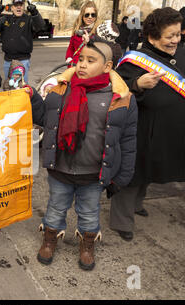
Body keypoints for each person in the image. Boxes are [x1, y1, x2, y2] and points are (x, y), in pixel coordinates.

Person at [32, 39, 138, 271]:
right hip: (60, 169)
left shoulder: (121, 98)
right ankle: (50, 238)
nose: (82, 65)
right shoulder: (61, 89)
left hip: (93, 173)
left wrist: (122, 176)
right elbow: (45, 119)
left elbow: (128, 140)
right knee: (55, 208)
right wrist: (31, 97)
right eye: (80, 59)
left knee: (90, 213)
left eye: (91, 61)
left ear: (108, 66)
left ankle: (87, 244)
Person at [109, 7, 185, 241]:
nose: (175, 40)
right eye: (169, 36)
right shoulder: (135, 60)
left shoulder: (180, 54)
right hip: (141, 130)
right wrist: (138, 84)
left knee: (151, 171)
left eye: (178, 34)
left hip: (167, 130)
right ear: (152, 37)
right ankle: (121, 221)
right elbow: (116, 88)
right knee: (133, 174)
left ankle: (137, 205)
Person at [0, 0, 44, 84]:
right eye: (16, 5)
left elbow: (40, 26)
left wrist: (35, 13)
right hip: (7, 61)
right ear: (12, 8)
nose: (19, 7)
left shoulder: (29, 20)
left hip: (22, 60)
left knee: (21, 88)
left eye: (21, 5)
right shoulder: (4, 19)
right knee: (9, 86)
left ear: (24, 7)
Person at [65, 0, 99, 67]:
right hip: (74, 67)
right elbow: (71, 48)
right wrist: (69, 58)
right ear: (82, 16)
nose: (90, 17)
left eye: (93, 15)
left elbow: (100, 54)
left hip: (88, 69)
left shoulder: (98, 32)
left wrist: (88, 43)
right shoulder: (77, 31)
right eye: (87, 15)